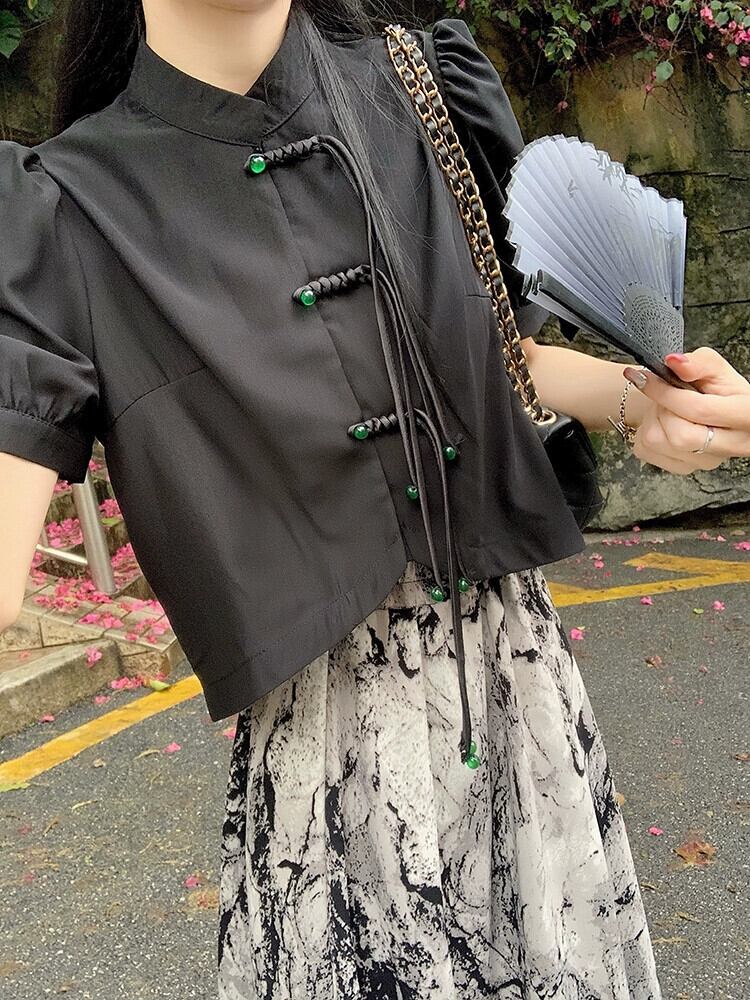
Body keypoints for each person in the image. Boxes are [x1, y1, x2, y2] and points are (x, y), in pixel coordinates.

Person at [1, 1, 749, 997]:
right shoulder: (60, 208)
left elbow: (509, 357)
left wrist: (645, 400)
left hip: (525, 707)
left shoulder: (425, 89)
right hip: (330, 777)